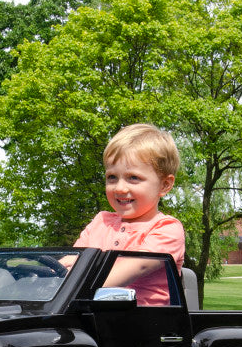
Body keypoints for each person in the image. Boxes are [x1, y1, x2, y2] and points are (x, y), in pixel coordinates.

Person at [72, 123, 184, 305]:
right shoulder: (101, 222)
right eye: (112, 177)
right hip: (92, 316)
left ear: (164, 185)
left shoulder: (167, 229)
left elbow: (134, 268)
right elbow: (72, 261)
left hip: (144, 320)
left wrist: (69, 282)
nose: (120, 188)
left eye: (133, 178)